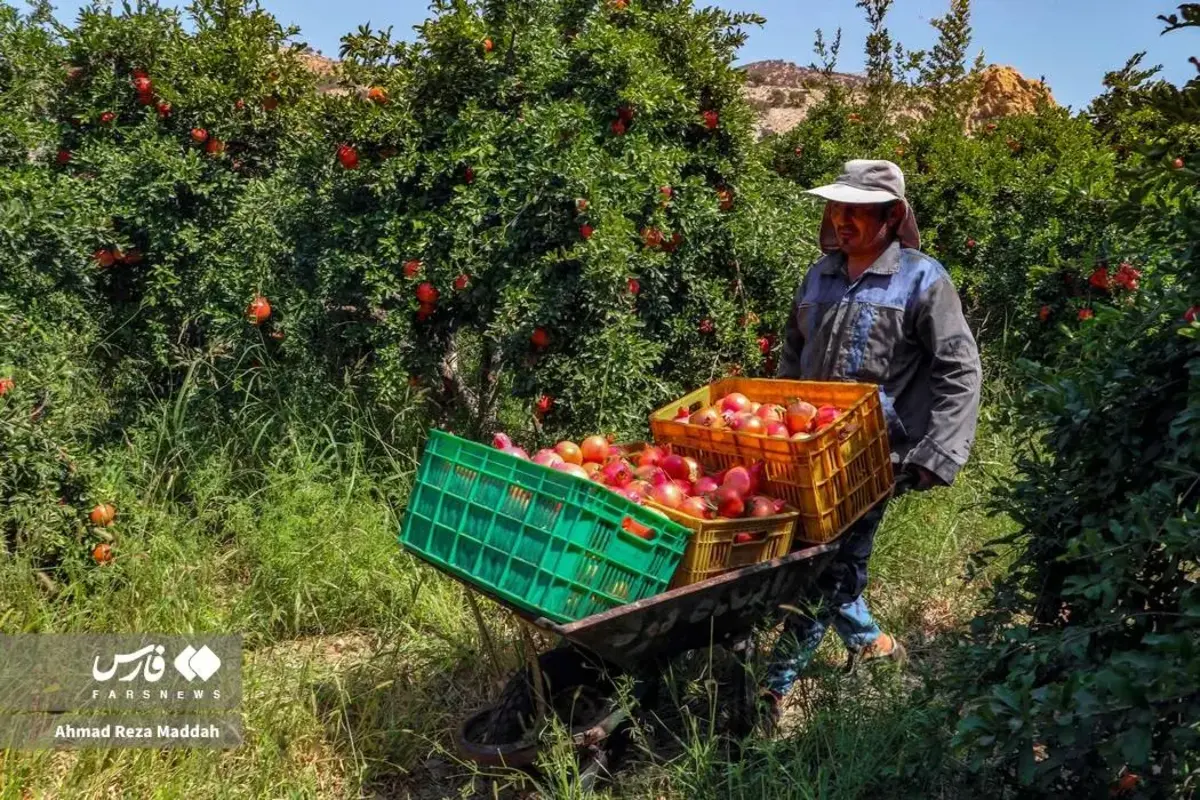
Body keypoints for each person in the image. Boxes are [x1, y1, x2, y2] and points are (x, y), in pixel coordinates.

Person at [761, 159, 982, 725]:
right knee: (814, 555)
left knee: (831, 567)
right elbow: (792, 352)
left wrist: (938, 453)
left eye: (857, 210)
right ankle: (870, 641)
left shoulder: (923, 279)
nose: (842, 220)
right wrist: (776, 421)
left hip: (875, 457)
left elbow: (960, 370)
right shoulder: (819, 276)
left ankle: (771, 689)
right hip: (807, 452)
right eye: (837, 208)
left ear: (892, 217)